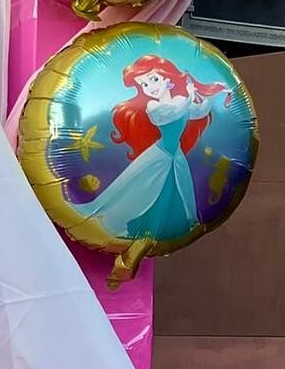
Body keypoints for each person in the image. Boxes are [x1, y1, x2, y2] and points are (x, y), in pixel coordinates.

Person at [84, 55, 232, 245]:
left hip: (175, 156)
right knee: (143, 191)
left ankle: (162, 227)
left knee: (175, 190)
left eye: (153, 79)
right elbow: (173, 113)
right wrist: (188, 95)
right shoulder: (154, 106)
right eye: (144, 84)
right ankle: (137, 226)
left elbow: (199, 111)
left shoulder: (180, 100)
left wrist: (212, 92)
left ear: (167, 76)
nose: (150, 87)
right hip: (160, 155)